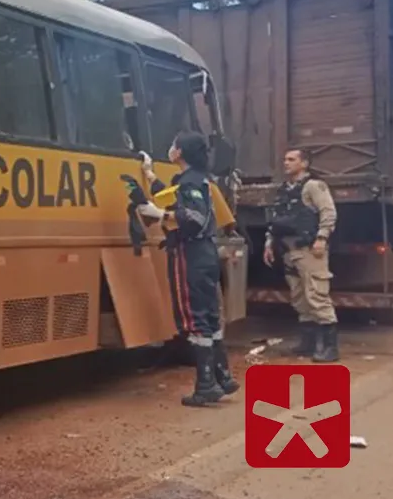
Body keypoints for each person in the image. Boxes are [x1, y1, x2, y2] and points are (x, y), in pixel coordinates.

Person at [136, 132, 238, 407]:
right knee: (209, 317)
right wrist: (149, 174)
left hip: (190, 253)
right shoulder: (194, 179)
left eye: (172, 145)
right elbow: (172, 198)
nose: (170, 149)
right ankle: (223, 376)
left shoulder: (191, 181)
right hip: (203, 253)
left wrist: (159, 215)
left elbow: (194, 218)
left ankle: (206, 385)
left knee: (193, 318)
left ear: (179, 152)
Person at [263, 148, 339, 362]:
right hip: (288, 251)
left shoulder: (313, 186)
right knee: (299, 298)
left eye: (291, 159)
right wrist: (269, 243)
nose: (285, 163)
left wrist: (322, 238)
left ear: (304, 163)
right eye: (285, 159)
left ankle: (330, 348)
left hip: (308, 250)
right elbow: (276, 219)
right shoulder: (285, 190)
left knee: (317, 295)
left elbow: (328, 212)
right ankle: (308, 343)